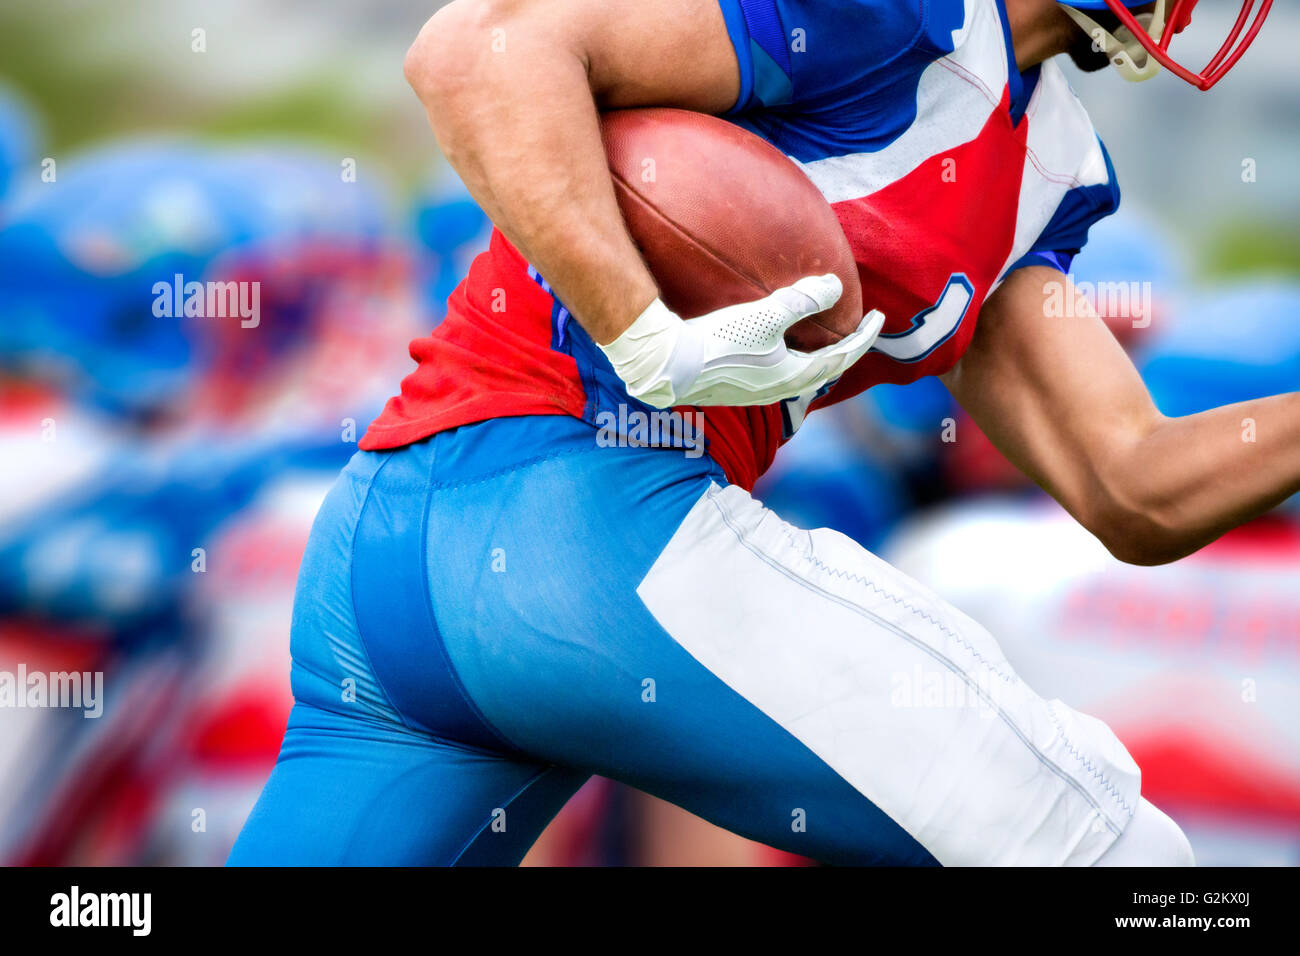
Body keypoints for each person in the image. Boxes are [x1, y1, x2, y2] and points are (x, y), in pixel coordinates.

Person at [231, 0, 1275, 866]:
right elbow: (472, 49)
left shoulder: (1037, 160)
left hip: (395, 546)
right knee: (1115, 856)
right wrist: (639, 328)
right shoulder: (899, 13)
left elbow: (1133, 483)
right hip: (583, 533)